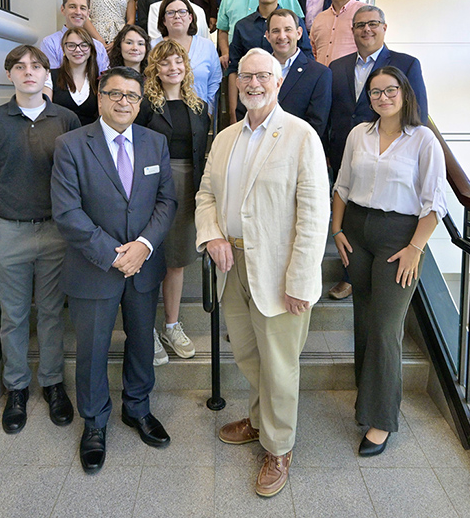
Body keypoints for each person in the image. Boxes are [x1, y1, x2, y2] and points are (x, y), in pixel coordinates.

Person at [195, 48, 329, 498]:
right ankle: (259, 420)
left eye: (263, 76)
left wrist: (300, 279)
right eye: (246, 76)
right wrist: (212, 236)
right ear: (236, 82)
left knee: (279, 364)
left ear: (278, 81)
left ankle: (279, 446)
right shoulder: (226, 137)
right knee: (250, 357)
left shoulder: (300, 135)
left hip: (278, 269)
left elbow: (314, 215)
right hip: (231, 264)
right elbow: (206, 196)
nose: (253, 83)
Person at [52, 67, 177, 473]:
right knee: (92, 349)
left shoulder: (155, 142)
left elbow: (166, 202)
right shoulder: (71, 145)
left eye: (133, 96)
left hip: (143, 264)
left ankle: (137, 409)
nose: (124, 102)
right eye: (116, 94)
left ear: (141, 102)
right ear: (101, 98)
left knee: (142, 341)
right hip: (94, 267)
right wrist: (112, 254)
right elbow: (67, 212)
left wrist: (142, 247)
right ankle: (94, 422)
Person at [331, 66, 447, 457]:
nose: (383, 97)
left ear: (405, 92)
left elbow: (435, 203)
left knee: (385, 327)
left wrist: (416, 248)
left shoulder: (423, 140)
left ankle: (382, 419)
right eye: (375, 92)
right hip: (357, 232)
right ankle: (367, 398)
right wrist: (337, 230)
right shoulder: (357, 135)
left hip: (399, 238)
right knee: (363, 318)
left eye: (390, 90)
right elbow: (342, 186)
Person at [0, 44, 79, 435]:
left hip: (55, 232)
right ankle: (16, 388)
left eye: (36, 66)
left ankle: (52, 384)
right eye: (20, 66)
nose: (28, 72)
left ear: (47, 73)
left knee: (51, 314)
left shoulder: (65, 119)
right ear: (9, 74)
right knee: (14, 316)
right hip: (9, 231)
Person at [327, 5, 428, 300]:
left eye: (373, 24)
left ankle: (360, 278)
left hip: (391, 154)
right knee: (350, 212)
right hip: (348, 152)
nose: (366, 30)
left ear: (384, 27)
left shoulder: (406, 64)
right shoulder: (338, 67)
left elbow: (418, 112)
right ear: (352, 30)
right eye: (359, 25)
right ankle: (349, 272)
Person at [139, 40, 211, 366]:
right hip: (150, 188)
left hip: (188, 187)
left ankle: (171, 325)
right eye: (165, 63)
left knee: (177, 260)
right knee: (149, 259)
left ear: (186, 67)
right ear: (156, 68)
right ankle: (146, 331)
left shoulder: (199, 106)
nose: (173, 68)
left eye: (178, 63)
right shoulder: (144, 106)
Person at [225, 0, 313, 123]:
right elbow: (234, 71)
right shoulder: (242, 27)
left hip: (291, 106)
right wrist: (233, 113)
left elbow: (308, 63)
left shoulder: (294, 23)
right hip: (251, 105)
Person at [265, 7, 332, 139]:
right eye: (275, 31)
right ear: (268, 36)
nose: (282, 36)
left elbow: (316, 124)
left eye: (288, 30)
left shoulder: (319, 74)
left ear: (299, 33)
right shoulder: (256, 71)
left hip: (298, 152)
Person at [157, 0, 221, 114]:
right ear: (163, 20)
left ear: (190, 18)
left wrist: (208, 111)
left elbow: (214, 81)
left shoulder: (207, 46)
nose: (177, 16)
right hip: (161, 116)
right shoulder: (153, 46)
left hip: (199, 115)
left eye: (182, 12)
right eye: (170, 13)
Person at [40, 0, 110, 72]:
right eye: (72, 7)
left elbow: (104, 80)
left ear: (88, 14)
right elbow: (51, 80)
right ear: (63, 10)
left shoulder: (99, 47)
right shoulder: (49, 44)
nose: (78, 12)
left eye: (83, 8)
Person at [310, 0, 365, 66]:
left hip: (352, 79)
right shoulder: (319, 18)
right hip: (323, 79)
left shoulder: (365, 12)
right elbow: (312, 52)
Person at [45, 26, 101, 126]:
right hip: (59, 136)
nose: (78, 50)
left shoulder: (99, 80)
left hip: (89, 138)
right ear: (63, 49)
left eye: (83, 45)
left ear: (91, 49)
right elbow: (45, 113)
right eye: (71, 45)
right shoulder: (50, 76)